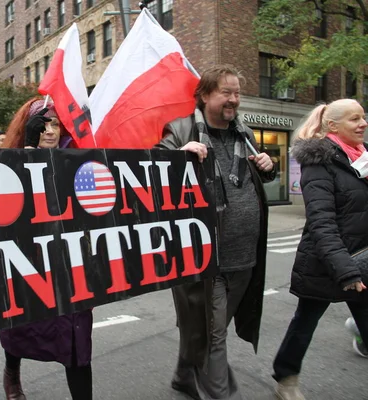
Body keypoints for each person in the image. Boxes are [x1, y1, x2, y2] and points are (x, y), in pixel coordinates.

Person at [156, 65, 275, 400]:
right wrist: (180, 156)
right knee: (213, 336)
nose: (234, 100)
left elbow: (251, 180)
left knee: (213, 328)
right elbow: (153, 169)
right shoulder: (180, 130)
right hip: (206, 260)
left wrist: (268, 168)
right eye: (226, 92)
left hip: (245, 257)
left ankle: (183, 376)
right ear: (205, 94)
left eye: (237, 93)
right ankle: (222, 394)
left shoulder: (244, 133)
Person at [272, 99, 368, 400]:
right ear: (333, 126)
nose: (363, 123)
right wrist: (346, 269)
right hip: (326, 263)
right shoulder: (318, 163)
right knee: (305, 322)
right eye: (355, 119)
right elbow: (322, 223)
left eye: (364, 117)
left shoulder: (362, 159)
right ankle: (286, 380)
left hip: (361, 260)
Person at [0, 97, 93, 400]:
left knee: (77, 335)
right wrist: (28, 151)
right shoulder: (8, 161)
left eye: (55, 123)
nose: (50, 131)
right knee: (20, 327)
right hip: (29, 260)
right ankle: (12, 370)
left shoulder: (78, 158)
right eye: (43, 124)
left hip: (70, 261)